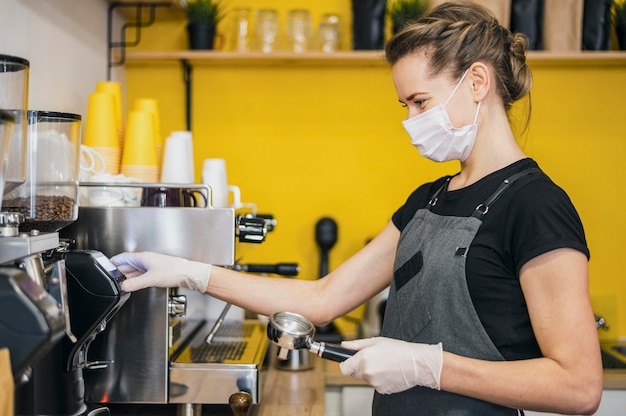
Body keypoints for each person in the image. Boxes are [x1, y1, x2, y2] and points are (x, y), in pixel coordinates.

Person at [111, 2, 603, 415]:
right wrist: (188, 272)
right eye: (404, 105)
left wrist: (427, 366)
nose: (409, 120)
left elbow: (578, 386)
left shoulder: (536, 205)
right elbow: (323, 299)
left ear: (477, 82)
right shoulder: (428, 199)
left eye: (419, 101)